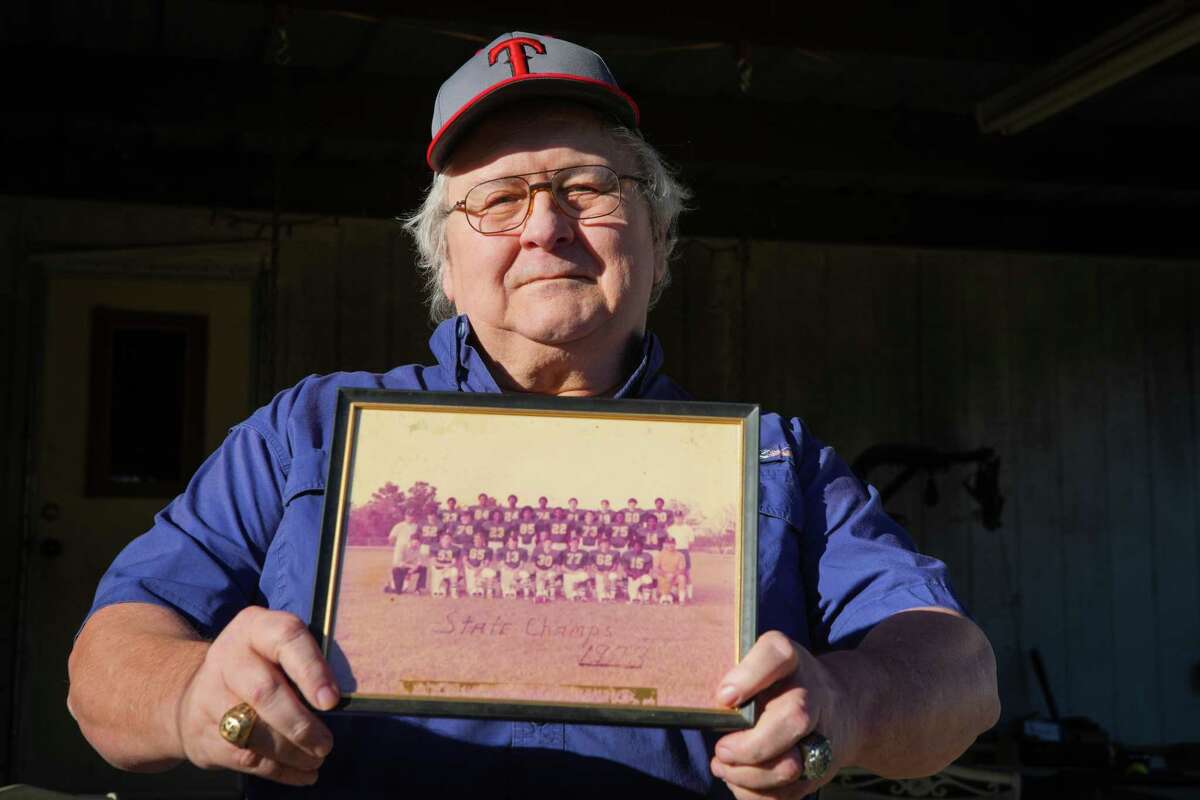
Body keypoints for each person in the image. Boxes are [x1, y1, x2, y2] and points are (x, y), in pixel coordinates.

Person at [67, 30, 998, 799]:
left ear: (659, 236)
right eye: (499, 200)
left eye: (588, 189)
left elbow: (960, 673)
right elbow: (104, 669)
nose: (544, 228)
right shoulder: (307, 431)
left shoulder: (769, 459)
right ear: (444, 259)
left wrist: (852, 699)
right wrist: (195, 696)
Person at [654, 537, 688, 605]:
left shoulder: (680, 555)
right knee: (664, 598)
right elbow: (656, 568)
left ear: (675, 544)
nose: (671, 545)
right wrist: (665, 574)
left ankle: (681, 600)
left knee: (682, 578)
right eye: (668, 543)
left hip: (674, 578)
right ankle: (660, 594)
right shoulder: (660, 554)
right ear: (665, 544)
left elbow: (682, 569)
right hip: (663, 577)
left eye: (672, 543)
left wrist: (673, 575)